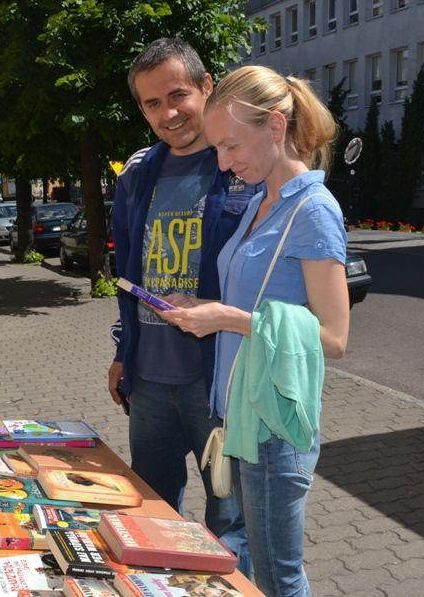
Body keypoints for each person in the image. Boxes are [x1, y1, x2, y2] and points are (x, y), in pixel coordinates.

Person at [157, 65, 350, 596]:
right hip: (241, 415)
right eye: (217, 148)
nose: (223, 162)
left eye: (231, 146)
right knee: (258, 567)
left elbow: (334, 336)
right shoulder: (261, 203)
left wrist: (224, 319)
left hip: (273, 429)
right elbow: (259, 299)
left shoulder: (312, 210)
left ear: (275, 127)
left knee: (278, 577)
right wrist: (204, 304)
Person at [108, 38, 255, 574]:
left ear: (206, 87)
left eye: (178, 95)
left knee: (230, 523)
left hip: (216, 381)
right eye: (152, 103)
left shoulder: (240, 166)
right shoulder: (135, 175)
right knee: (151, 511)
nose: (168, 114)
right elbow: (130, 273)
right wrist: (125, 351)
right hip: (148, 381)